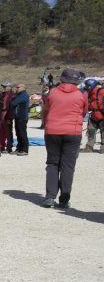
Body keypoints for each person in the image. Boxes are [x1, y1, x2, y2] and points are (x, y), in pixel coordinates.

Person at [41, 69, 88, 209]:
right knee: (68, 166)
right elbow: (84, 111)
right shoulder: (82, 94)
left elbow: (47, 108)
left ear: (61, 79)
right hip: (72, 132)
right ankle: (64, 199)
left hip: (53, 131)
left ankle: (50, 197)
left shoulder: (53, 92)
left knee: (53, 163)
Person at [10, 83, 30, 155]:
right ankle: (19, 148)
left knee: (22, 133)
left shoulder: (23, 95)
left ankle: (24, 150)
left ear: (23, 87)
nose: (16, 89)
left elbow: (13, 103)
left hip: (22, 117)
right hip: (18, 117)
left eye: (18, 87)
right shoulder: (20, 95)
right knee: (18, 133)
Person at [84, 79, 103, 153]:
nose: (86, 87)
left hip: (102, 115)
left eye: (87, 86)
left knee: (103, 132)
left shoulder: (101, 91)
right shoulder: (90, 93)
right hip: (93, 115)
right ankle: (89, 147)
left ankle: (103, 148)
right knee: (91, 131)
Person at [0, 83, 15, 153]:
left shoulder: (13, 95)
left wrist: (9, 117)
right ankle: (1, 146)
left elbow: (12, 107)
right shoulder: (2, 95)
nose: (4, 88)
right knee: (1, 131)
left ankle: (9, 147)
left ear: (10, 87)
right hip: (1, 113)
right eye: (3, 86)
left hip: (8, 113)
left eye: (5, 86)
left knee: (8, 131)